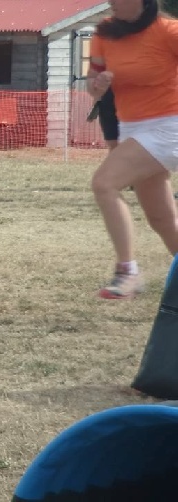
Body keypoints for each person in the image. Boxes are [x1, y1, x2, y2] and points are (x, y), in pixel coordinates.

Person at [87, 0, 178, 299]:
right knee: (161, 218)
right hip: (131, 127)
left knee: (105, 183)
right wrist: (97, 85)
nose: (111, 2)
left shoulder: (168, 31)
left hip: (168, 126)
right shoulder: (104, 32)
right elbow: (92, 82)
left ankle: (128, 272)